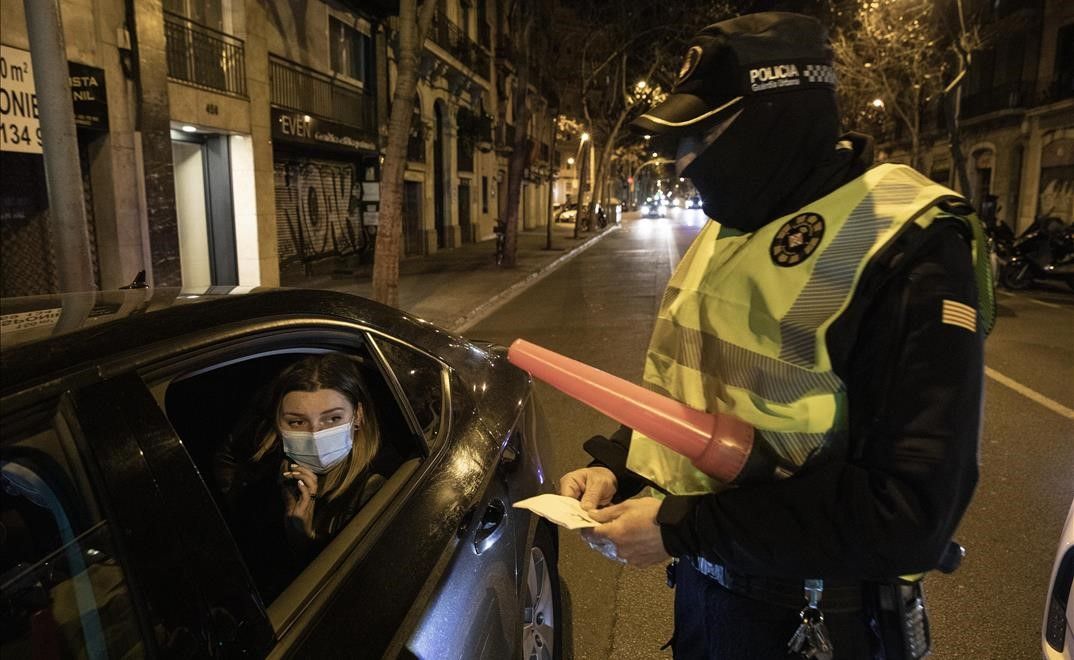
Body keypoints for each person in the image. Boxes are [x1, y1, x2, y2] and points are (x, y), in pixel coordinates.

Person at [558, 12, 994, 660]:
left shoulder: (912, 250)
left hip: (817, 626)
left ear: (778, 121)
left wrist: (682, 528)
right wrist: (616, 466)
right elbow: (702, 395)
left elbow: (908, 513)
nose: (681, 163)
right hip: (708, 601)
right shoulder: (735, 225)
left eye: (701, 136)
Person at [214, 352, 385, 600]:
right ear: (278, 423)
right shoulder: (268, 477)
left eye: (333, 418)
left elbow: (353, 595)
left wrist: (305, 542)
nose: (315, 434)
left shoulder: (374, 488)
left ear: (357, 416)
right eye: (297, 422)